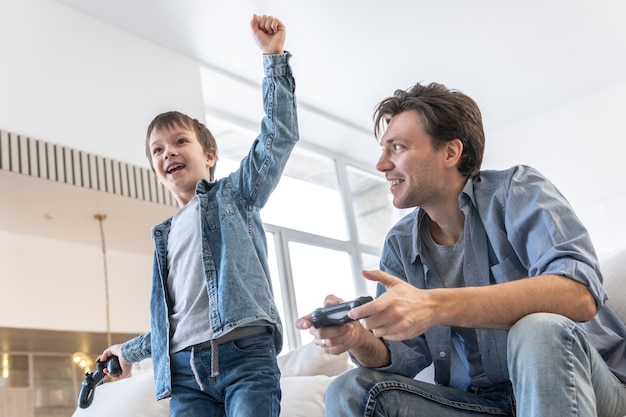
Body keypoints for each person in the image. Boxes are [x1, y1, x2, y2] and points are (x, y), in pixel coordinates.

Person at [296, 81, 626, 416]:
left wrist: (433, 305)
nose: (381, 165)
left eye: (397, 148)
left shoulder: (516, 191)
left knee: (538, 328)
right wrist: (357, 339)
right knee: (350, 390)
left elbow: (578, 294)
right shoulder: (399, 243)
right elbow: (400, 357)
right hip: (486, 403)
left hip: (590, 385)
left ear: (451, 152)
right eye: (383, 150)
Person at [100, 14, 298, 417]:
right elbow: (172, 321)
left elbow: (278, 137)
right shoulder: (165, 236)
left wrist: (273, 58)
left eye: (179, 141)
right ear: (155, 170)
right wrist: (126, 351)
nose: (167, 152)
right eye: (157, 150)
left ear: (209, 156)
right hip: (184, 372)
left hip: (245, 357)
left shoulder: (233, 196)